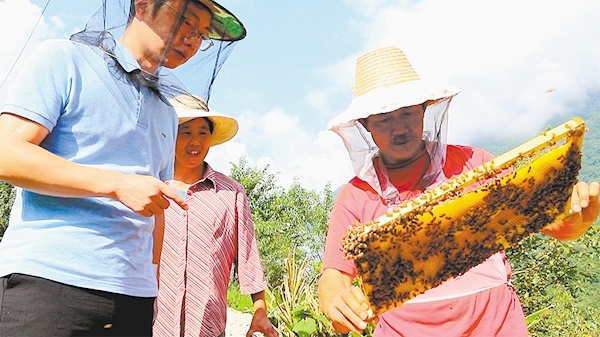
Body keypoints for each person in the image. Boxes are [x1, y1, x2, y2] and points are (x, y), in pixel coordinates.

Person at [0, 1, 246, 336]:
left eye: (202, 34)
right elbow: (7, 154)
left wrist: (154, 281)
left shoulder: (167, 113)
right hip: (49, 283)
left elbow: (156, 209)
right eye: (185, 21)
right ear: (143, 6)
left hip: (135, 299)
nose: (193, 40)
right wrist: (115, 184)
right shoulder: (64, 59)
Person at [317, 46, 600, 336]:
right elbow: (334, 276)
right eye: (384, 119)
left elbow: (556, 225)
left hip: (497, 324)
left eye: (407, 113)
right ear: (366, 125)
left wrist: (583, 210)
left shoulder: (475, 164)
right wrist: (335, 300)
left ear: (425, 109)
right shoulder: (356, 195)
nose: (399, 128)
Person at [152, 94, 279, 337]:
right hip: (153, 322)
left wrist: (259, 309)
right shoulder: (152, 187)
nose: (195, 141)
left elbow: (248, 256)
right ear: (169, 136)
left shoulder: (230, 193)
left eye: (202, 132)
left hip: (208, 324)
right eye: (186, 132)